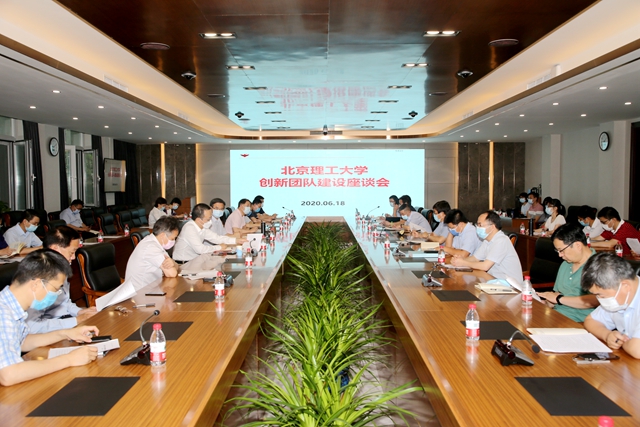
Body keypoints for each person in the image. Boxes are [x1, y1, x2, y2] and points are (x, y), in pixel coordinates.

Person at [0, 250, 99, 386]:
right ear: (36, 284)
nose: (57, 295)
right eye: (56, 289)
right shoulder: (3, 314)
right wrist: (69, 359)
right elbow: (8, 375)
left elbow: (21, 342)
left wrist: (65, 333)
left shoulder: (11, 307)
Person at [25, 226, 97, 333]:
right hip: (48, 332)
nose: (73, 257)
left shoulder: (60, 269)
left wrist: (79, 312)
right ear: (55, 249)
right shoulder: (38, 278)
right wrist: (75, 321)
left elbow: (64, 302)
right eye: (72, 252)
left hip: (63, 322)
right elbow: (33, 326)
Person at [582, 253, 640, 358]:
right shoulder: (619, 298)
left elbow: (637, 350)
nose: (599, 299)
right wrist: (607, 335)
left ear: (625, 286)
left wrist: (621, 342)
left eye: (601, 295)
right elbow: (591, 320)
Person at [538, 224, 598, 323]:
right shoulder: (565, 264)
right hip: (557, 315)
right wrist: (546, 303)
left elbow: (595, 300)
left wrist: (559, 299)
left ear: (578, 245)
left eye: (561, 250)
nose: (560, 255)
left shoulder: (599, 266)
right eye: (557, 251)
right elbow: (559, 294)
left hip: (580, 322)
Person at [451, 210, 523, 284]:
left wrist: (464, 263)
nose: (477, 228)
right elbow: (475, 258)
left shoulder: (501, 240)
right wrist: (460, 260)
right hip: (494, 281)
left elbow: (485, 266)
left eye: (480, 225)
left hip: (510, 285)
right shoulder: (487, 240)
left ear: (492, 227)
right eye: (477, 225)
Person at [173, 203, 244, 262]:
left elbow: (217, 238)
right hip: (184, 262)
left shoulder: (202, 227)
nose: (210, 221)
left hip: (194, 260)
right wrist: (219, 247)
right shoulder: (190, 228)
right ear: (199, 220)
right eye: (208, 219)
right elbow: (201, 249)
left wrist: (236, 240)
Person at [125, 216, 180, 289]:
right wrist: (173, 264)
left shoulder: (155, 243)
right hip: (140, 293)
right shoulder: (151, 247)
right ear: (163, 235)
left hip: (152, 288)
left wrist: (172, 263)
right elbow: (172, 273)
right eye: (172, 238)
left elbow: (175, 265)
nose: (173, 241)